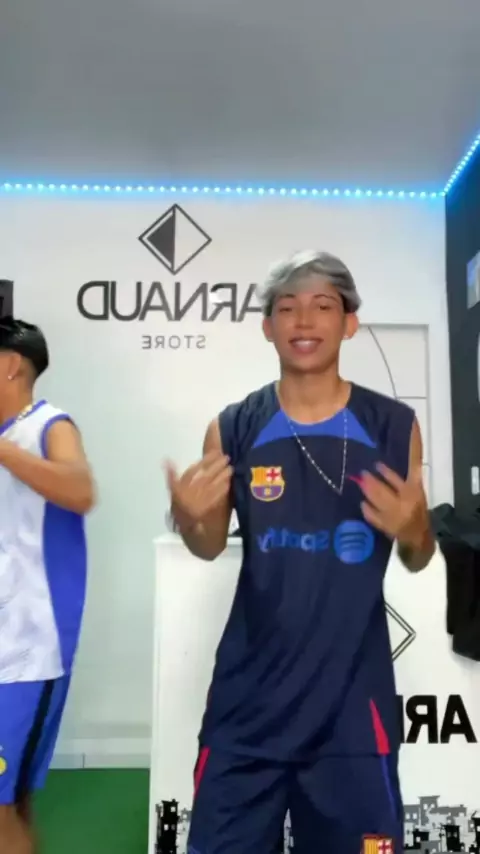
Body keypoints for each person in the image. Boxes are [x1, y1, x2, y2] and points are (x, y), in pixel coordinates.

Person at [167, 251, 435, 854]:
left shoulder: (394, 427)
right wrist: (191, 520)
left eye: (322, 306)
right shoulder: (233, 426)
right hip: (247, 708)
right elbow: (209, 546)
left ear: (349, 323)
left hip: (352, 713)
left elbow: (417, 556)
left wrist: (417, 530)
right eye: (287, 308)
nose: (304, 321)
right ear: (268, 327)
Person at [0, 317, 95, 854]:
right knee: (10, 800)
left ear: (12, 364)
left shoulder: (48, 425)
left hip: (28, 649)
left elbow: (80, 490)